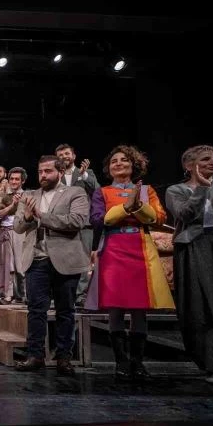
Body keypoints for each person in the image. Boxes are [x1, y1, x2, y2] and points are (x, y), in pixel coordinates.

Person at [85, 146, 175, 380]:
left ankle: (138, 362)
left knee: (139, 308)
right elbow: (97, 220)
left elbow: (159, 218)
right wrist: (126, 208)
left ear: (133, 165)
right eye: (114, 161)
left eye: (124, 160)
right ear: (108, 168)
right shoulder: (102, 192)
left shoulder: (146, 190)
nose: (118, 163)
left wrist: (138, 205)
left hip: (140, 249)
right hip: (113, 249)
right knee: (115, 307)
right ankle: (121, 362)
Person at [166, 145, 213, 385]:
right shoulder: (176, 190)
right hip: (195, 246)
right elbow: (185, 215)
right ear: (189, 166)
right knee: (204, 305)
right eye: (206, 159)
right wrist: (202, 189)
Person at [13, 156, 91, 376]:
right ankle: (35, 355)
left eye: (48, 171)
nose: (43, 175)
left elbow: (76, 221)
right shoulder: (29, 196)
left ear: (60, 172)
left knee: (65, 310)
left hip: (65, 260)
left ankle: (64, 358)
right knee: (35, 310)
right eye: (40, 172)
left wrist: (41, 216)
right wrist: (28, 217)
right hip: (36, 260)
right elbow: (18, 227)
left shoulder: (75, 192)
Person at [55, 143, 100, 305]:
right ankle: (63, 296)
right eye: (60, 155)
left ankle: (80, 296)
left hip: (83, 223)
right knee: (62, 261)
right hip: (61, 224)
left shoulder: (87, 173)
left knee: (84, 261)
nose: (64, 157)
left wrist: (84, 175)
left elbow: (97, 191)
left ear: (73, 156)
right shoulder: (55, 176)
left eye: (67, 154)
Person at [0, 167, 27, 304]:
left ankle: (25, 295)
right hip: (5, 232)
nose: (14, 181)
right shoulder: (2, 196)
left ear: (22, 181)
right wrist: (11, 206)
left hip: (21, 232)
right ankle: (8, 295)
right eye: (11, 179)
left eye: (17, 179)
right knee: (8, 266)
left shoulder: (27, 196)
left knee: (21, 265)